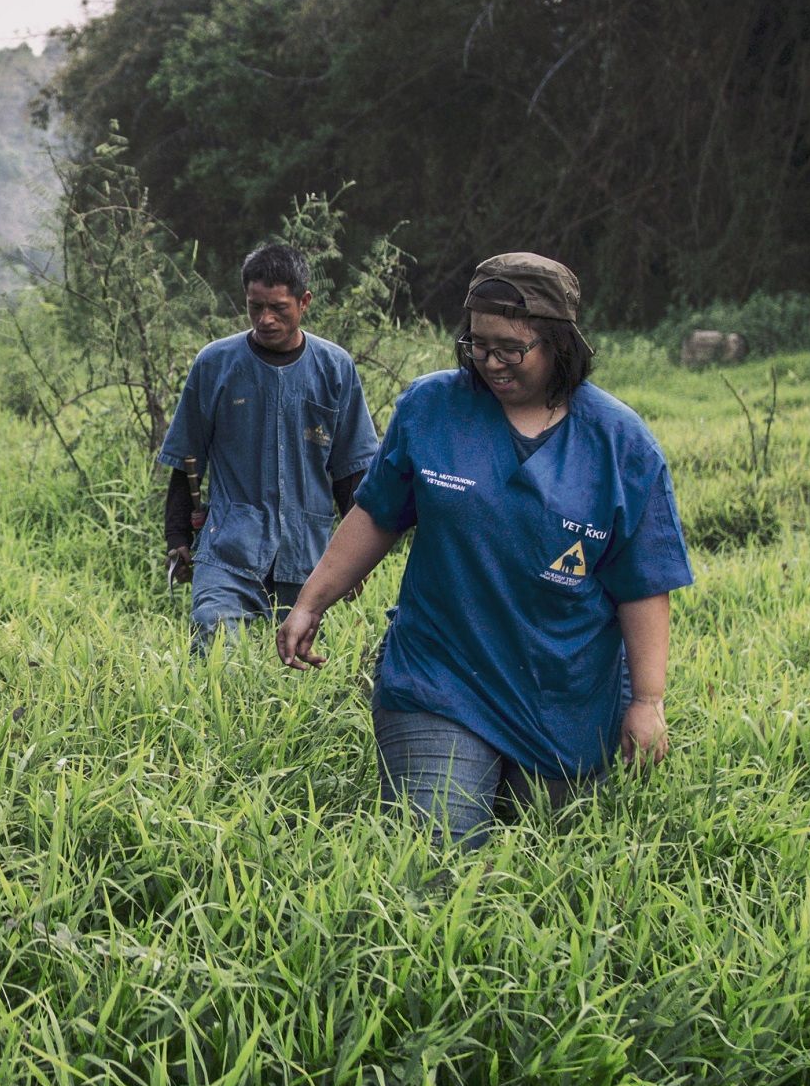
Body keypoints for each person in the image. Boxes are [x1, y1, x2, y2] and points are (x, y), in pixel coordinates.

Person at [277, 252, 692, 845]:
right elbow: (376, 515)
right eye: (477, 343)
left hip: (562, 689)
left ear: (560, 345)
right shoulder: (430, 408)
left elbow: (644, 583)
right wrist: (310, 603)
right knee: (439, 850)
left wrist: (647, 702)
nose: (490, 361)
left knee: (545, 849)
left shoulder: (621, 445)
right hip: (442, 673)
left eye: (511, 348)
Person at [159, 243, 381, 646]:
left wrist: (356, 561)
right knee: (213, 644)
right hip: (228, 548)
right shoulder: (215, 364)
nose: (265, 319)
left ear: (304, 301)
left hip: (309, 556)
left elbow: (352, 475)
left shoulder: (335, 368)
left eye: (278, 307)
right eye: (255, 306)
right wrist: (177, 539)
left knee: (302, 668)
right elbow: (186, 458)